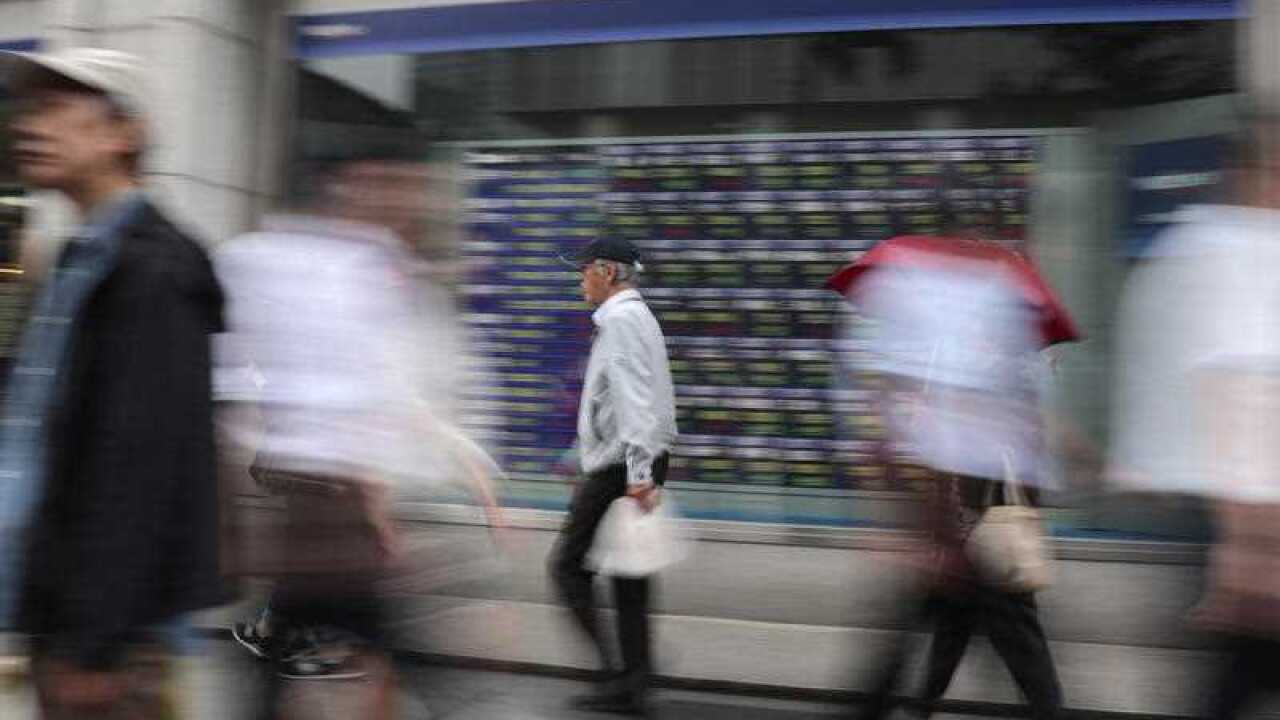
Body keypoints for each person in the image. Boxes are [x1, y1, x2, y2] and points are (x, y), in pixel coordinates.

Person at [0, 48, 225, 718]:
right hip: (59, 614)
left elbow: (138, 468)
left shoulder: (154, 270)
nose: (29, 126)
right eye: (29, 109)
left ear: (122, 133)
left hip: (103, 639)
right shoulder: (78, 258)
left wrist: (94, 643)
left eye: (56, 109)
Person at [1108, 113, 1280, 720]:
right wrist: (1250, 547)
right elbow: (1236, 389)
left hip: (1227, 510)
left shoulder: (1195, 244)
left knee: (1232, 683)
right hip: (1249, 514)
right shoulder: (1239, 248)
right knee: (1231, 681)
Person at [847, 246, 1063, 720]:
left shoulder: (1014, 361)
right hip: (964, 517)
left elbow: (1020, 434)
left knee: (993, 624)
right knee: (954, 618)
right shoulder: (970, 352)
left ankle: (919, 704)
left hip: (988, 513)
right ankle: (919, 703)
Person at [550, 236, 678, 716]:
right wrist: (577, 455)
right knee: (629, 573)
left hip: (624, 463)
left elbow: (635, 402)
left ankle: (615, 673)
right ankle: (635, 681)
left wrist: (639, 474)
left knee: (567, 567)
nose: (579, 279)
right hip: (630, 457)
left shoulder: (621, 321)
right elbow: (621, 399)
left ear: (607, 272)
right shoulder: (634, 318)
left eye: (584, 271)